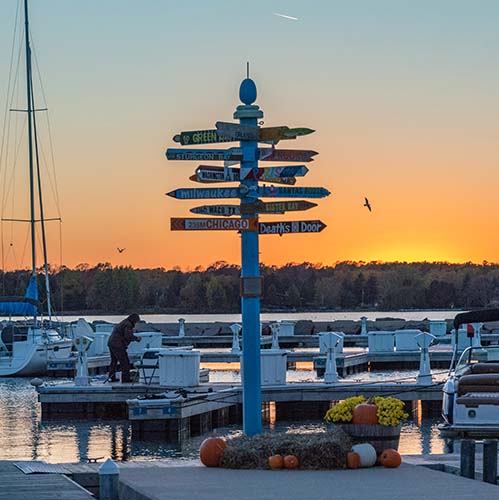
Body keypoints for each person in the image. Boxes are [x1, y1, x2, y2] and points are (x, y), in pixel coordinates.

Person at [107, 313, 141, 383]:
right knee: (125, 362)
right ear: (134, 320)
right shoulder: (128, 325)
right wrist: (136, 338)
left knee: (114, 361)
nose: (136, 323)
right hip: (118, 345)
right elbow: (128, 336)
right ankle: (125, 379)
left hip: (111, 343)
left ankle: (111, 377)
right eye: (137, 322)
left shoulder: (123, 322)